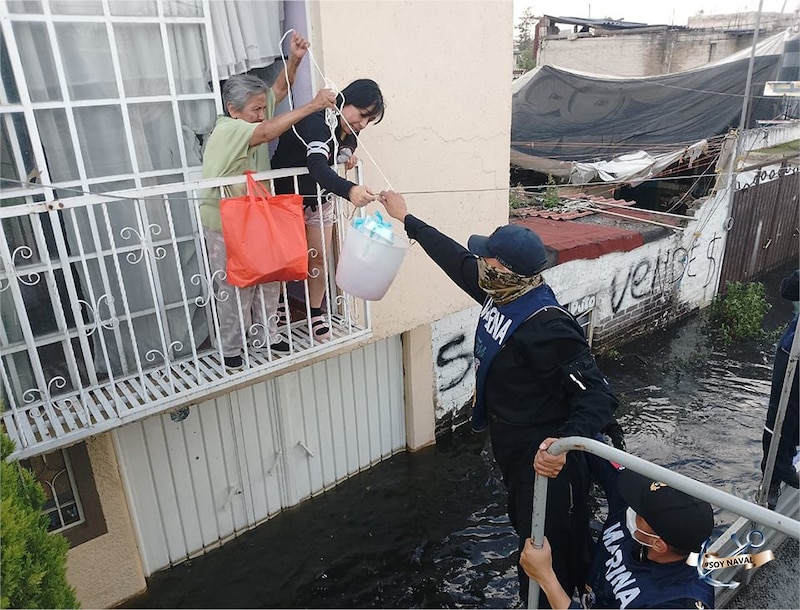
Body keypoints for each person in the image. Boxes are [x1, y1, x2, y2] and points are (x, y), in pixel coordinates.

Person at [377, 190, 619, 606]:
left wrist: (562, 446)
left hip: (543, 460)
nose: (479, 263)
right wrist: (407, 218)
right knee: (527, 535)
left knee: (546, 545)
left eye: (486, 258)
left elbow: (599, 397)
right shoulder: (502, 293)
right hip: (512, 447)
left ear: (504, 270)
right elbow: (454, 258)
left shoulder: (546, 327)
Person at [199, 31, 336, 370]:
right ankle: (232, 348)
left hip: (257, 215)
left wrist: (295, 60)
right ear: (233, 110)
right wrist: (314, 105)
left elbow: (278, 91)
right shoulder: (228, 129)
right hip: (226, 221)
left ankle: (267, 336)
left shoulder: (252, 113)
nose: (262, 114)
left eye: (263, 109)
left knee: (270, 274)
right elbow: (267, 131)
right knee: (236, 286)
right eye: (255, 110)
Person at [271, 79, 385, 342]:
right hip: (285, 196)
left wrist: (346, 152)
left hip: (319, 196)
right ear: (345, 100)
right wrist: (349, 190)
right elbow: (317, 166)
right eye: (362, 115)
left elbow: (348, 143)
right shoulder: (317, 122)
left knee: (318, 257)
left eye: (369, 120)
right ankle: (276, 303)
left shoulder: (347, 127)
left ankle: (315, 312)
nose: (363, 124)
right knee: (283, 258)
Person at [520, 462, 715, 609]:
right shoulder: (669, 524)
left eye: (640, 515)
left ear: (658, 545)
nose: (631, 510)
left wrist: (545, 576)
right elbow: (597, 452)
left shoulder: (678, 601)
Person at [762, 268, 799, 508]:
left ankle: (786, 463)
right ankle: (773, 477)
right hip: (794, 355)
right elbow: (788, 289)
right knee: (781, 417)